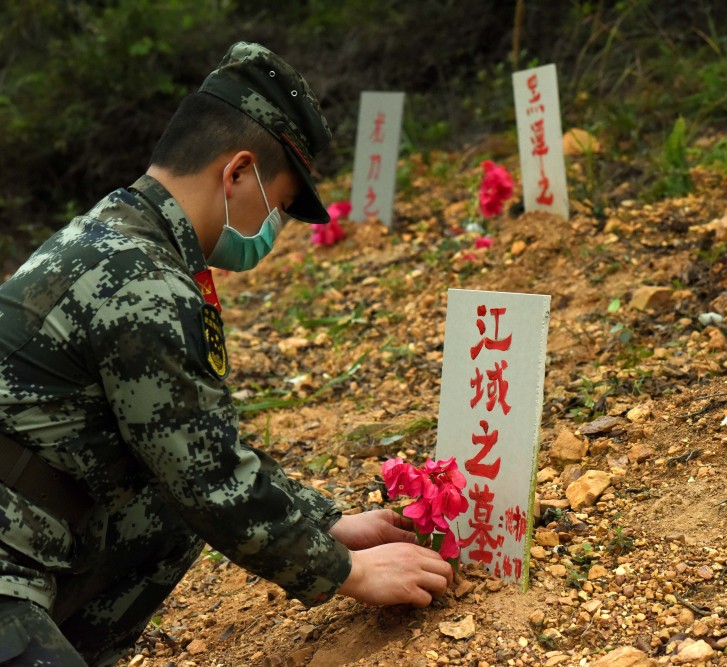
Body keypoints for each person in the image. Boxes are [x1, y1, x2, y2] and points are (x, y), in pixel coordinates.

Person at [0, 42, 453, 666]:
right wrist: (351, 572)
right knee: (182, 500)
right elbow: (209, 481)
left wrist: (328, 522)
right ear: (237, 172)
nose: (275, 226)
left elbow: (193, 443)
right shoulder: (141, 281)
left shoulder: (115, 234)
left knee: (165, 508)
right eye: (279, 205)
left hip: (28, 534)